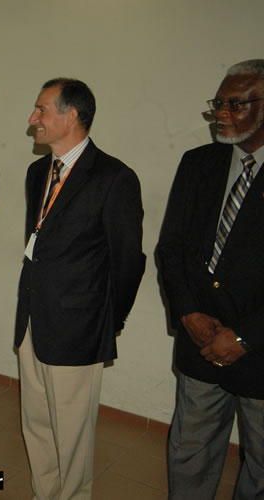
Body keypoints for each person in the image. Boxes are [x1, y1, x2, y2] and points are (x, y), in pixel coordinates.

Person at [14, 78, 145, 499]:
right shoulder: (38, 172)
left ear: (71, 116)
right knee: (36, 424)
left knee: (71, 434)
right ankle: (44, 493)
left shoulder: (114, 177)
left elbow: (127, 261)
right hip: (33, 320)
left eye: (42, 110)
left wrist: (107, 321)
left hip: (78, 329)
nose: (33, 119)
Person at [156, 59, 264, 500]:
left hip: (259, 350)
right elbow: (172, 248)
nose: (222, 114)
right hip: (200, 339)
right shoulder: (198, 163)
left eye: (235, 105)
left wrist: (244, 337)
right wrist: (188, 313)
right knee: (190, 455)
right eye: (219, 104)